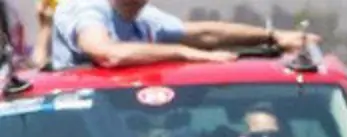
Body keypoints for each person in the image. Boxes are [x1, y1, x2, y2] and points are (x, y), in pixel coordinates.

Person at [50, 0, 316, 70]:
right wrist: (183, 54)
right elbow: (106, 52)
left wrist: (273, 37)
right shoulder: (86, 8)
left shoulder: (145, 18)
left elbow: (206, 33)